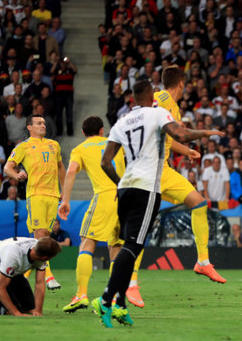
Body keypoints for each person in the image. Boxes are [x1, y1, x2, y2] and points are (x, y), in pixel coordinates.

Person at [92, 80, 222, 328]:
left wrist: (121, 183)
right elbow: (181, 134)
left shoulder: (121, 122)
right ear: (152, 95)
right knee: (132, 247)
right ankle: (106, 299)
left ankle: (120, 304)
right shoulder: (157, 113)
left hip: (125, 186)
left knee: (129, 245)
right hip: (146, 187)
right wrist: (205, 133)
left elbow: (105, 162)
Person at [125, 67, 227, 309]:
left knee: (199, 203)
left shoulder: (173, 106)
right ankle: (131, 283)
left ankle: (203, 261)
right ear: (181, 83)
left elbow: (169, 137)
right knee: (141, 228)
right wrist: (198, 135)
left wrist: (186, 150)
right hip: (147, 169)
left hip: (164, 169)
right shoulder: (161, 99)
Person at [58, 116, 126, 313]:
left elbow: (71, 171)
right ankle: (113, 300)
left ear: (83, 132)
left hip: (104, 197)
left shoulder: (80, 149)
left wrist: (66, 200)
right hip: (123, 196)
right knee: (116, 248)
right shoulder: (115, 143)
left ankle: (81, 295)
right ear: (102, 130)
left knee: (87, 242)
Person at [3, 114, 66, 290]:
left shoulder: (54, 145)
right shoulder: (23, 146)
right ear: (29, 127)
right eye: (38, 123)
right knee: (40, 234)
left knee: (44, 236)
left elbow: (61, 168)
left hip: (53, 195)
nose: (42, 126)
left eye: (44, 123)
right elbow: (7, 167)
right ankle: (49, 277)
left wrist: (64, 191)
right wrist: (16, 175)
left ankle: (24, 274)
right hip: (36, 194)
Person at [0, 237, 61, 316]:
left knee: (28, 309)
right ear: (46, 258)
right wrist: (17, 313)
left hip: (14, 272)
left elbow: (39, 283)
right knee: (8, 310)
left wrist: (38, 311)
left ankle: (4, 303)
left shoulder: (39, 249)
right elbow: (0, 288)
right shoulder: (13, 256)